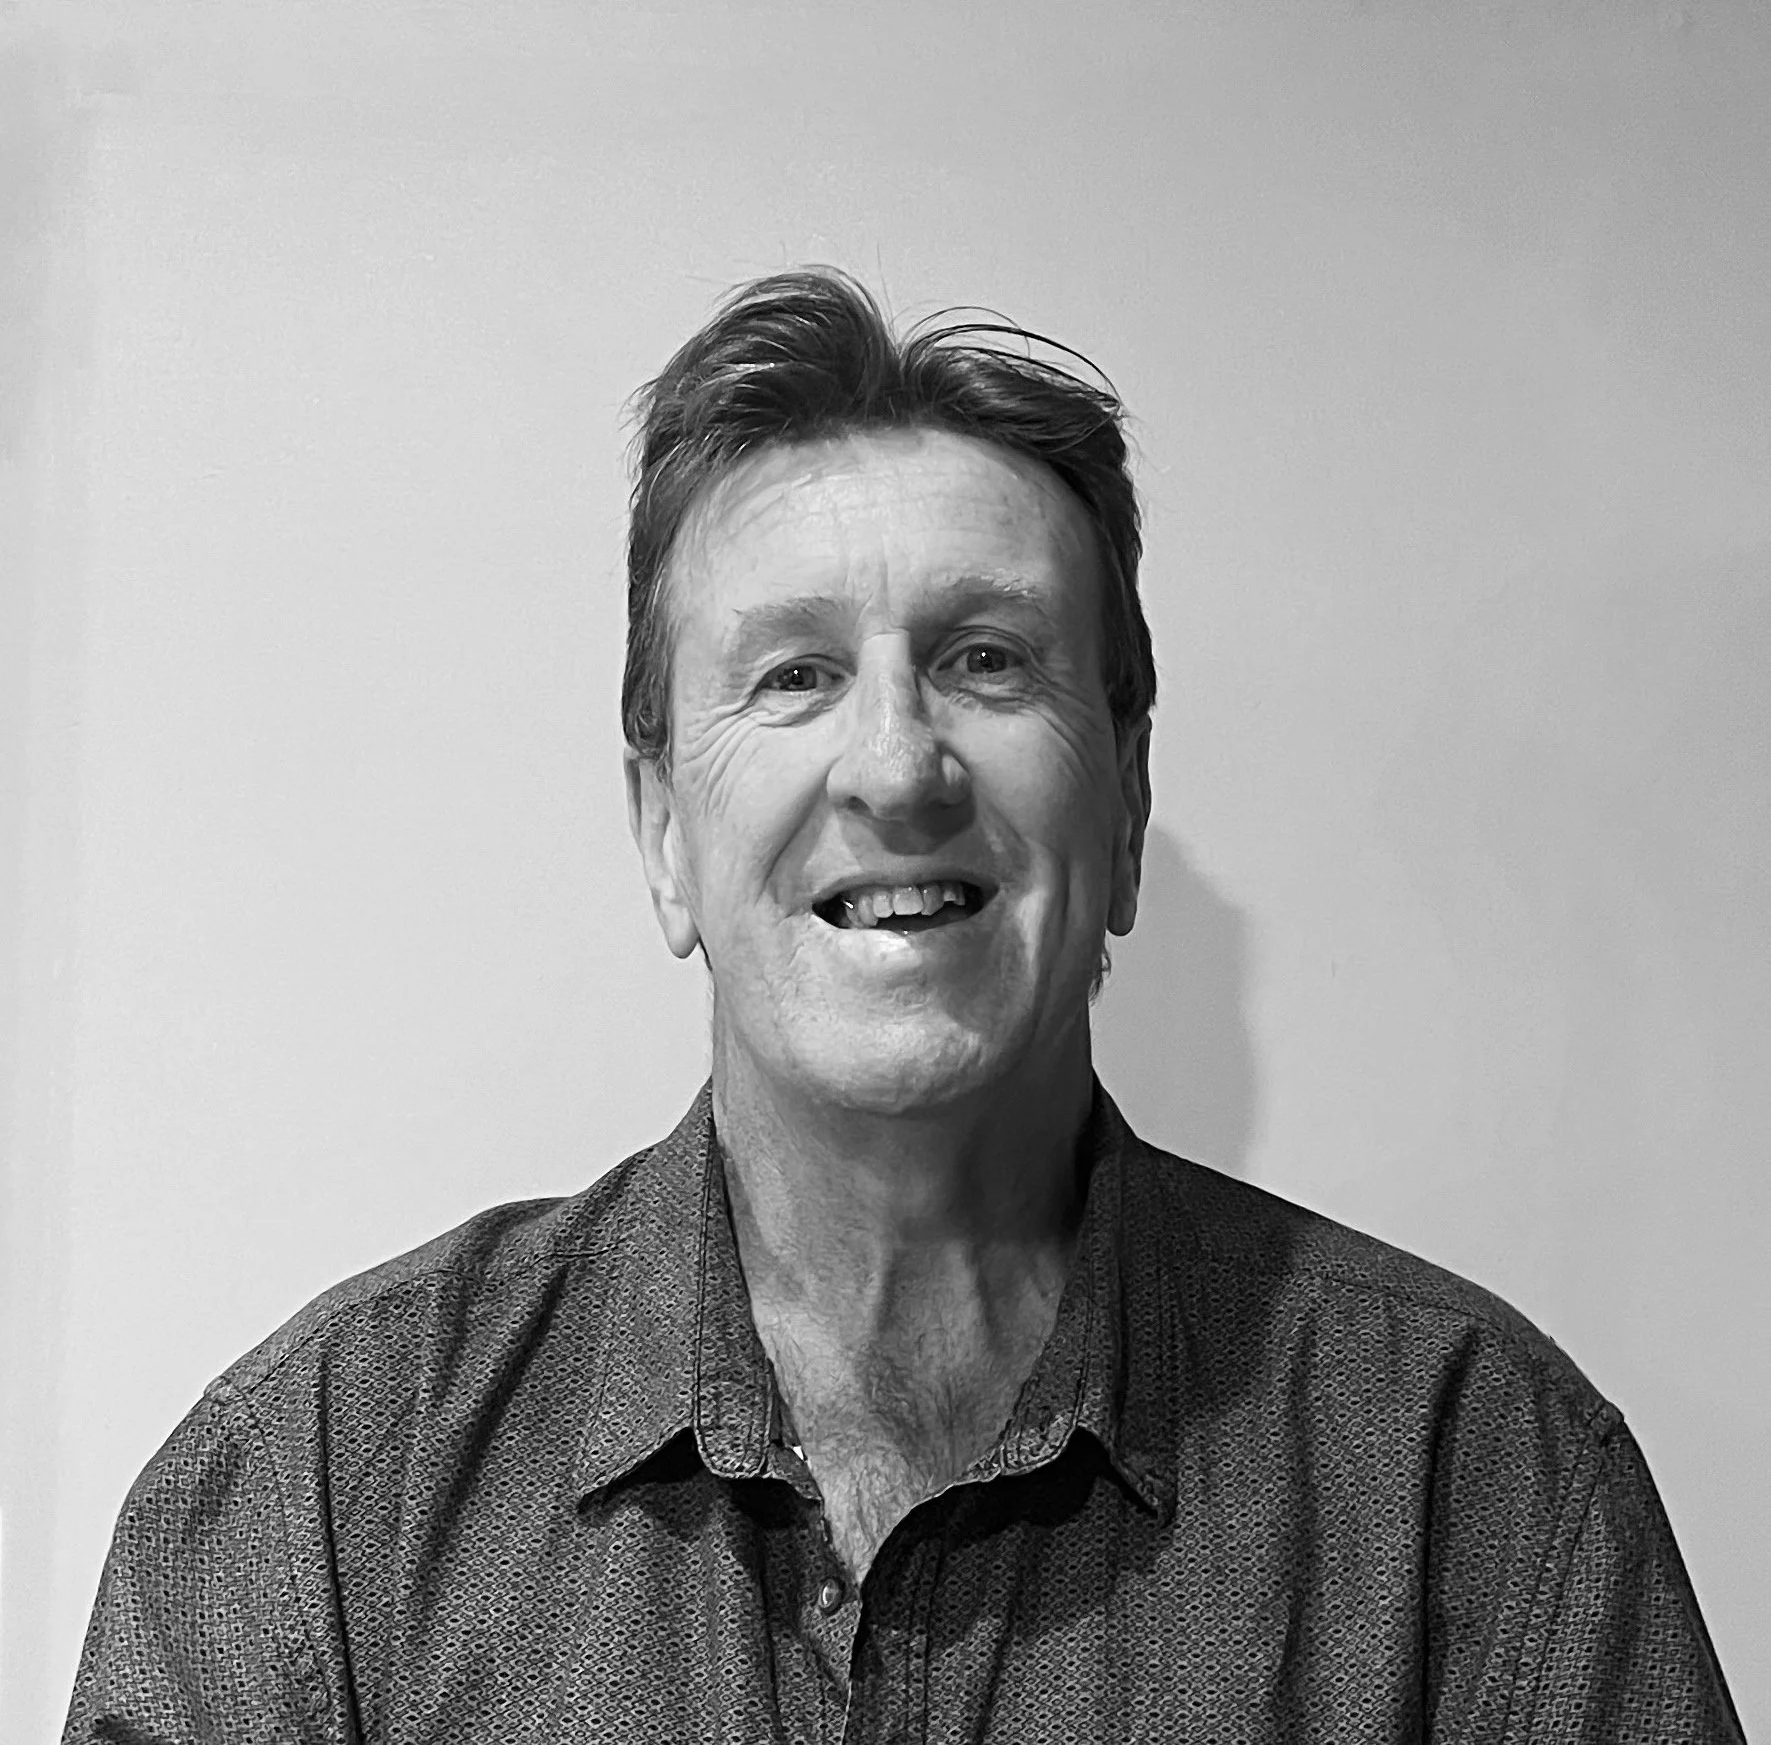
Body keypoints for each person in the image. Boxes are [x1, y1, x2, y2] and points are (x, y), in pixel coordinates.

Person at [65, 269, 1744, 1744]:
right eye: (793, 674)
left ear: (1126, 801)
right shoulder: (316, 1504)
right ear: (662, 832)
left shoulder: (1474, 1490)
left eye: (986, 659)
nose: (894, 763)